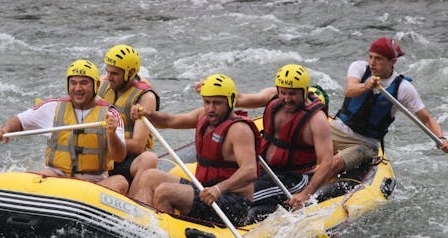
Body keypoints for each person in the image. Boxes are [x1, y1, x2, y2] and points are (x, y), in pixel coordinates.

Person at [130, 74, 262, 227]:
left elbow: (250, 170)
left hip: (232, 202)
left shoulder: (239, 130)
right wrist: (148, 114)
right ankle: (141, 227)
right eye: (207, 102)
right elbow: (170, 120)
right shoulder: (203, 116)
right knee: (149, 176)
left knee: (164, 191)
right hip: (204, 190)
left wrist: (218, 189)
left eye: (217, 103)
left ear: (231, 101)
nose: (211, 109)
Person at [0, 59, 129, 194]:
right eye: (73, 83)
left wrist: (112, 134)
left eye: (84, 83)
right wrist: (4, 130)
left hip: (93, 184)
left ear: (97, 85)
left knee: (121, 182)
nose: (78, 88)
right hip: (57, 178)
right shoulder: (52, 107)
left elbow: (119, 156)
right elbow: (20, 120)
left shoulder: (111, 114)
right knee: (34, 178)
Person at [330, 36, 448, 178]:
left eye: (378, 59)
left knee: (333, 164)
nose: (372, 63)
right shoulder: (359, 67)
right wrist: (366, 85)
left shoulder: (403, 88)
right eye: (371, 57)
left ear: (392, 61)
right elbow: (350, 90)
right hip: (337, 130)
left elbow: (426, 118)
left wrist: (441, 138)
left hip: (365, 143)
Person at [239, 64, 334, 216]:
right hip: (264, 167)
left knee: (237, 198)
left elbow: (327, 162)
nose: (287, 99)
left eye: (293, 94)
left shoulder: (317, 120)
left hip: (293, 178)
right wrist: (215, 93)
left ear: (304, 90)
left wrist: (305, 195)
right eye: (283, 93)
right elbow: (240, 99)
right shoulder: (273, 96)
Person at [99, 44, 160, 192]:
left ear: (131, 72)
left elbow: (138, 145)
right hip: (101, 155)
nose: (109, 77)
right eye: (107, 71)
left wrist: (110, 142)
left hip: (126, 159)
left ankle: (134, 200)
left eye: (114, 73)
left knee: (149, 158)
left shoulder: (146, 97)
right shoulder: (101, 83)